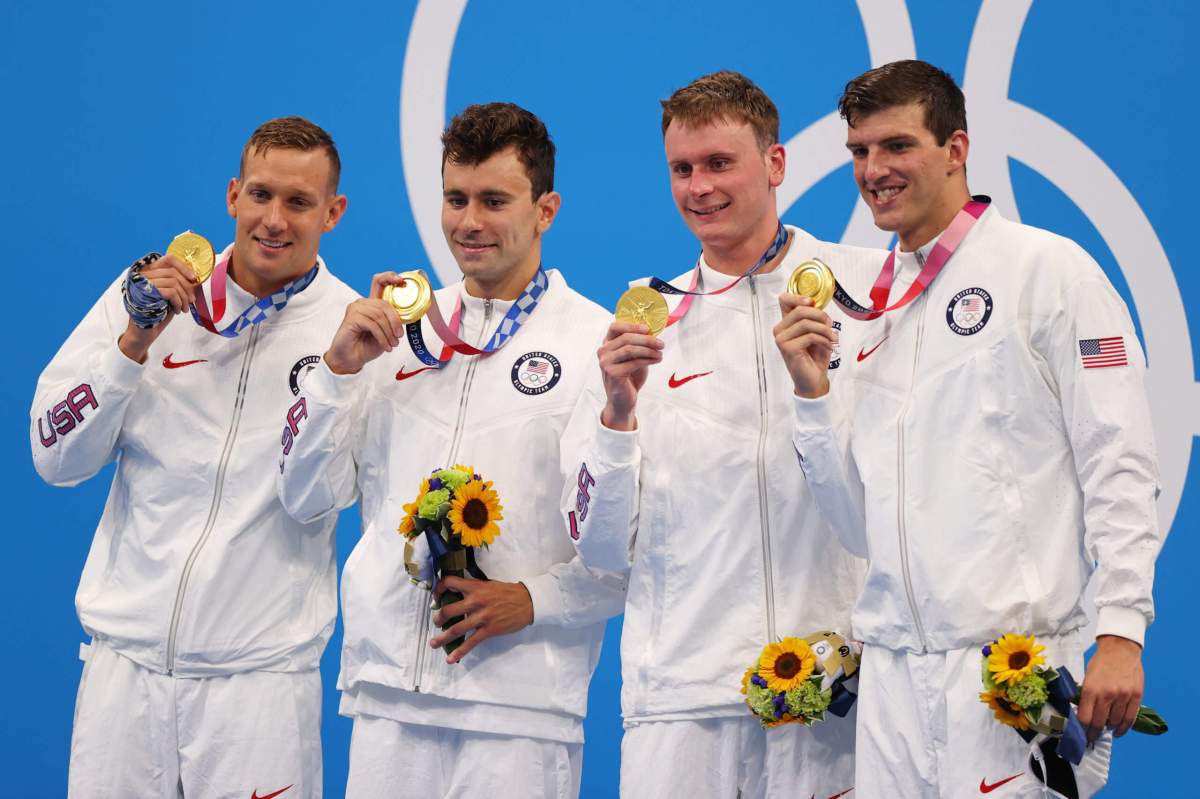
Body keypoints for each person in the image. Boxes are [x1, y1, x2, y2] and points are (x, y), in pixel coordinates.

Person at [774, 59, 1162, 798]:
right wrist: (814, 396)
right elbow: (859, 526)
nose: (874, 169)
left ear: (956, 149)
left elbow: (1121, 462)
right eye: (859, 151)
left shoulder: (1049, 271)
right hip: (891, 680)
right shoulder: (867, 314)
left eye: (897, 146)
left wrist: (1120, 629)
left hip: (1010, 673)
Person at [277, 102, 624, 799]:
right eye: (456, 198)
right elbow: (308, 497)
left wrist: (533, 599)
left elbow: (630, 543)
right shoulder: (397, 334)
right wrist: (338, 374)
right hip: (386, 698)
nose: (470, 221)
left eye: (495, 200)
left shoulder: (598, 344)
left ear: (546, 209)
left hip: (521, 709)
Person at [558, 70, 882, 798]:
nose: (698, 187)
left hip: (833, 697)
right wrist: (616, 416)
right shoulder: (643, 328)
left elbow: (885, 505)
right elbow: (602, 550)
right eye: (682, 168)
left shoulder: (866, 296)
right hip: (682, 705)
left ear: (775, 164)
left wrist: (816, 390)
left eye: (718, 163)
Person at [31, 116, 353, 798]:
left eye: (298, 203)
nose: (274, 219)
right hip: (124, 674)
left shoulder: (348, 332)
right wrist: (132, 345)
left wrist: (336, 376)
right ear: (233, 194)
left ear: (333, 212)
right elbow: (53, 455)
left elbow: (325, 494)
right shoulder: (147, 295)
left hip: (257, 688)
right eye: (261, 195)